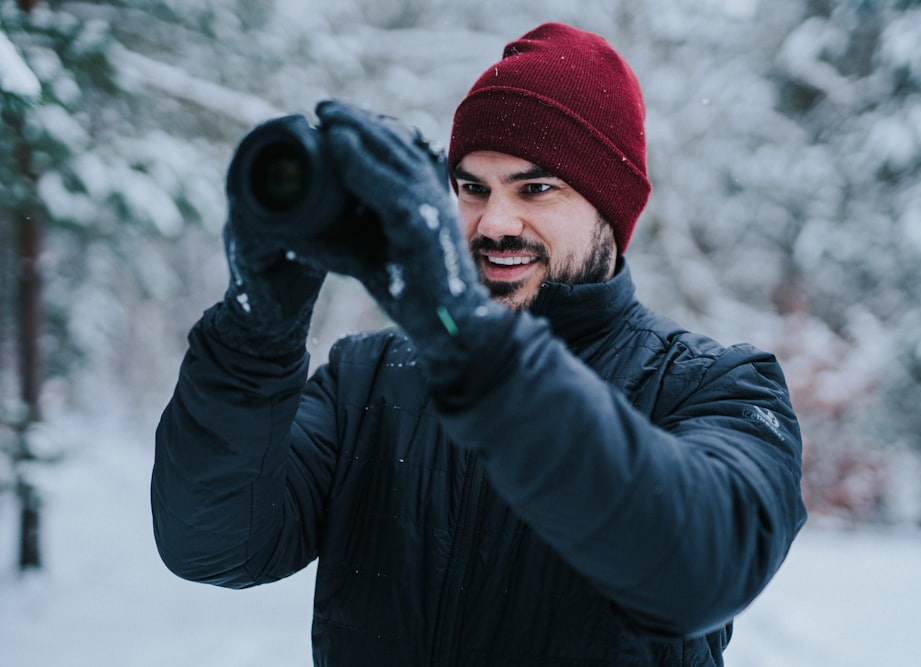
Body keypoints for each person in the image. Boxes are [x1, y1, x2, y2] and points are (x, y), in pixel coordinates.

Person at [152, 22, 807, 666]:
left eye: (536, 188)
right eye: (472, 187)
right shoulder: (367, 377)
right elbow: (213, 541)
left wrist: (475, 342)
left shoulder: (718, 384)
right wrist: (256, 333)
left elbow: (700, 569)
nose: (495, 222)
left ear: (612, 208)